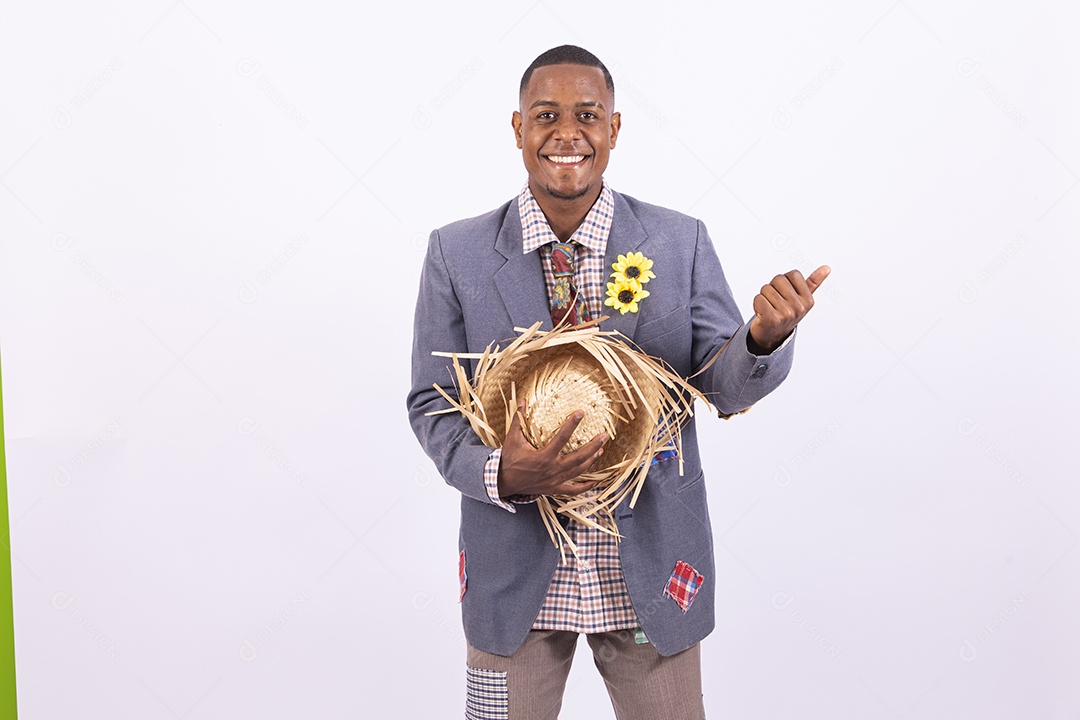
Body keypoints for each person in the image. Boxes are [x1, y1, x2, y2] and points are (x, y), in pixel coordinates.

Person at [407, 44, 830, 720]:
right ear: (517, 128)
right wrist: (501, 474)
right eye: (545, 115)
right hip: (509, 576)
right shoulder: (455, 253)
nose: (566, 133)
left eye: (587, 114)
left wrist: (762, 338)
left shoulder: (678, 241)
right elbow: (432, 403)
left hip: (653, 572)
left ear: (615, 128)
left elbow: (724, 388)